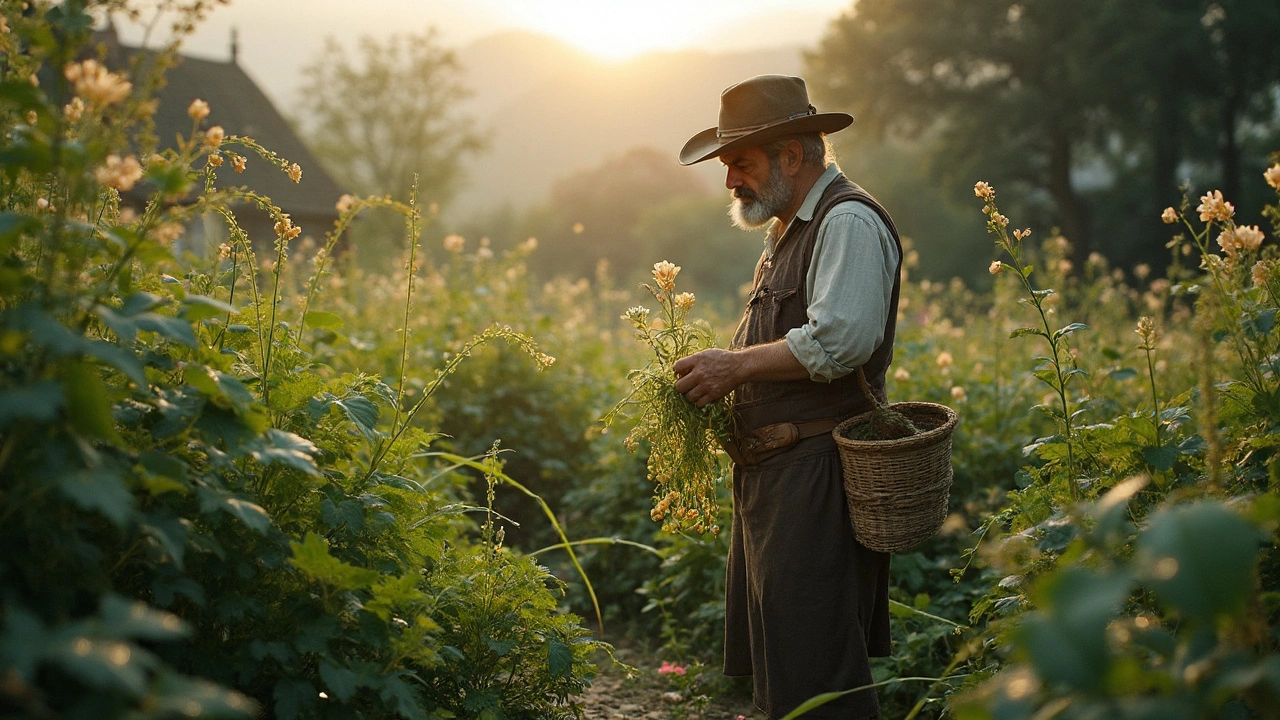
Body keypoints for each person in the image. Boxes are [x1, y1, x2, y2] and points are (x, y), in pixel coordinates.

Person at [672, 74, 902, 719]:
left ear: (793, 156)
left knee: (817, 665)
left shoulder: (848, 222)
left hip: (819, 473)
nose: (729, 182)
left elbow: (843, 339)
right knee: (785, 659)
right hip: (779, 474)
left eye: (740, 163)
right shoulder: (788, 231)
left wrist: (735, 367)